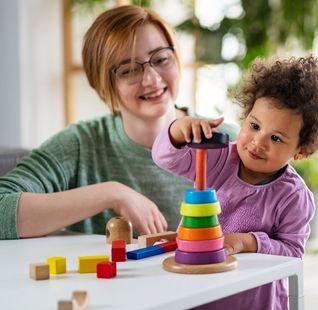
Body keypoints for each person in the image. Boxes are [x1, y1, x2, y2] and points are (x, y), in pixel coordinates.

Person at [0, 5, 236, 240]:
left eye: (161, 58)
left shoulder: (230, 143)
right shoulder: (80, 146)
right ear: (104, 84)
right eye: (129, 70)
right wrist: (112, 194)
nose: (152, 79)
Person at [152, 55, 318, 310]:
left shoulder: (293, 196)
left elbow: (292, 254)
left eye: (275, 138)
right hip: (198, 291)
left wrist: (248, 242)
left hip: (254, 301)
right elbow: (165, 158)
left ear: (301, 151)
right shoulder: (219, 159)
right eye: (254, 126)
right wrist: (179, 130)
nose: (258, 142)